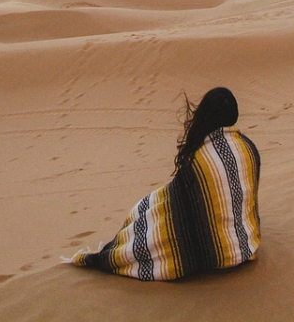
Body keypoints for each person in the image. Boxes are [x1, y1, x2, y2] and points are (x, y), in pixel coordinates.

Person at [64, 87, 261, 281]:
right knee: (154, 204)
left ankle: (115, 253)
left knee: (146, 214)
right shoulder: (248, 149)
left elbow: (179, 214)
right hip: (245, 248)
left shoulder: (200, 160)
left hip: (217, 261)